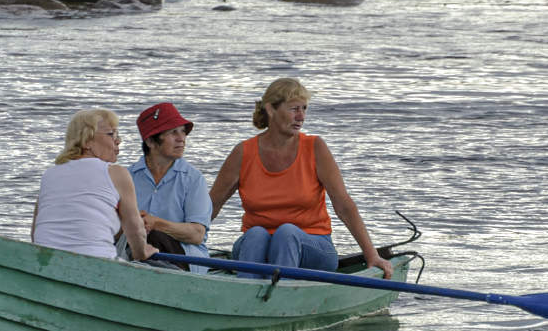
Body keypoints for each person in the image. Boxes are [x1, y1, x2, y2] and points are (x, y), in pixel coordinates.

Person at [208, 78, 392, 278]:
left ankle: (282, 296)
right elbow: (210, 206)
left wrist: (371, 256)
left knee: (287, 233)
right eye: (294, 109)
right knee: (255, 234)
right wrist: (182, 245)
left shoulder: (315, 147)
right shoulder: (243, 152)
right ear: (270, 110)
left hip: (315, 247)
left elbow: (344, 205)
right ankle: (246, 296)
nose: (301, 116)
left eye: (304, 109)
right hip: (258, 247)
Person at [31, 108, 157, 263]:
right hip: (97, 262)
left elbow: (35, 230)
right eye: (111, 134)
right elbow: (135, 228)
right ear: (86, 141)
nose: (118, 141)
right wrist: (142, 252)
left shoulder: (49, 175)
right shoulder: (117, 173)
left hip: (46, 263)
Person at [127, 101, 211, 262]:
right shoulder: (128, 176)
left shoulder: (193, 179)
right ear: (150, 142)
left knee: (155, 238)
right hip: (135, 251)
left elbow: (197, 234)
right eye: (173, 133)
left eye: (183, 132)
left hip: (185, 259)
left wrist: (155, 223)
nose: (182, 139)